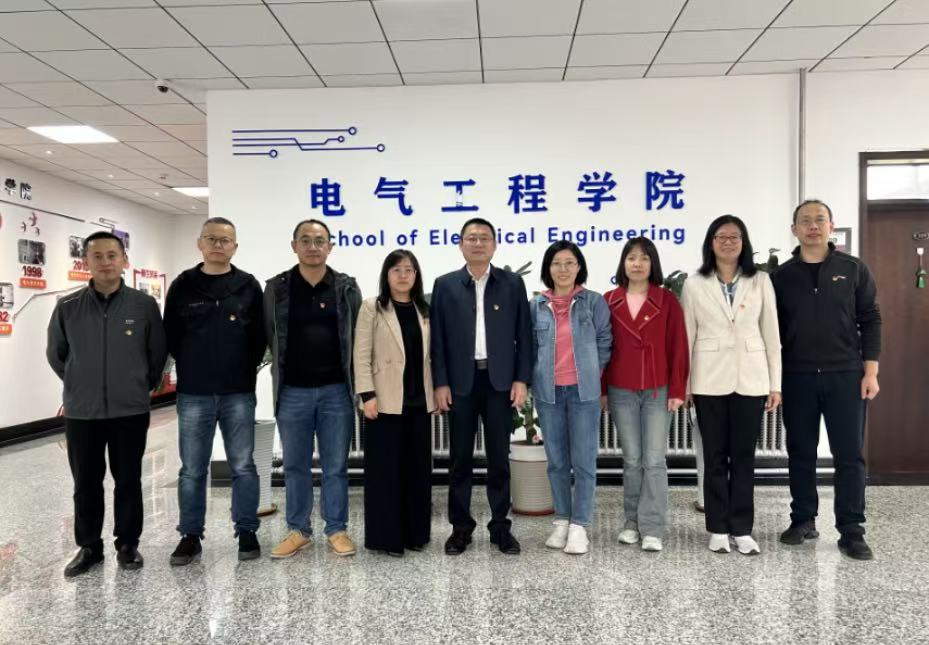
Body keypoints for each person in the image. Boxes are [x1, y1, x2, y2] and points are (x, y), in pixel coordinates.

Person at [46, 231, 167, 577]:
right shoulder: (68, 307)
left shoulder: (143, 306)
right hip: (82, 412)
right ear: (86, 261)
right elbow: (57, 355)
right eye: (97, 256)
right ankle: (89, 547)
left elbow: (157, 353)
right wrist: (78, 383)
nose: (105, 262)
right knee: (86, 482)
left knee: (128, 479)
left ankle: (127, 544)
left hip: (130, 410)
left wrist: (139, 385)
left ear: (124, 260)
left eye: (112, 255)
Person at [772, 199, 881, 561]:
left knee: (849, 455)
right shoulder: (781, 277)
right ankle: (803, 519)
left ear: (831, 226)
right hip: (798, 376)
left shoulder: (853, 269)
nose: (813, 226)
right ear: (794, 230)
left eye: (820, 219)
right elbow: (772, 332)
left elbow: (871, 319)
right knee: (800, 452)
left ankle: (851, 530)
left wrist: (871, 371)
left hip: (846, 376)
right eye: (805, 221)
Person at [164, 217, 265, 566]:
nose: (218, 245)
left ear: (235, 247)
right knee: (192, 468)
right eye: (212, 239)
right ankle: (190, 535)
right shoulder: (183, 286)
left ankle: (246, 530)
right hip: (194, 392)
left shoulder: (248, 286)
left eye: (225, 240)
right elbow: (171, 335)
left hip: (238, 391)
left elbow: (259, 338)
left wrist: (242, 367)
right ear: (200, 243)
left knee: (243, 465)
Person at [430, 217, 532, 555]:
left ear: (494, 244)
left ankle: (500, 527)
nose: (478, 243)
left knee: (499, 458)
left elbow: (524, 335)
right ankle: (461, 529)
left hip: (499, 382)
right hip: (460, 383)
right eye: (471, 238)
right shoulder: (445, 285)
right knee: (459, 459)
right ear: (461, 244)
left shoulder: (512, 284)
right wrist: (440, 383)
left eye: (484, 238)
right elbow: (438, 340)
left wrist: (521, 379)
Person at [681, 215, 781, 555]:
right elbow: (687, 336)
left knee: (743, 457)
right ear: (711, 243)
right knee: (714, 456)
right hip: (708, 378)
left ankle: (742, 528)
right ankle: (717, 528)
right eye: (721, 237)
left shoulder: (760, 280)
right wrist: (686, 384)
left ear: (744, 243)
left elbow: (771, 334)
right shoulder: (695, 283)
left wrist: (775, 384)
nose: (727, 242)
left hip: (751, 378)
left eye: (734, 237)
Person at [265, 219, 362, 558]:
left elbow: (358, 338)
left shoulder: (346, 288)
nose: (312, 246)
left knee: (335, 466)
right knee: (295, 466)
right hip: (292, 392)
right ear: (294, 246)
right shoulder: (277, 288)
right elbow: (268, 336)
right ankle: (298, 530)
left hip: (336, 391)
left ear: (330, 246)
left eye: (319, 240)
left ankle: (336, 529)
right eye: (305, 240)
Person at [604, 238, 689, 552]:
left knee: (654, 460)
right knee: (631, 459)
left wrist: (677, 389)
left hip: (657, 390)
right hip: (621, 389)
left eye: (643, 258)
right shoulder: (609, 300)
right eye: (631, 258)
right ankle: (631, 523)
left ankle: (652, 527)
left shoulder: (667, 300)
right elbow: (602, 349)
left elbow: (678, 347)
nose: (637, 264)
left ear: (652, 264)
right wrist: (602, 390)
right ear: (623, 263)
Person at [530, 241, 611, 555]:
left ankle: (580, 525)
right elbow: (529, 346)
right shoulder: (536, 305)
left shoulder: (593, 302)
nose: (562, 269)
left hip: (583, 393)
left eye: (569, 263)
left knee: (584, 461)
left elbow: (604, 341)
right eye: (556, 263)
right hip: (548, 393)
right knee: (557, 462)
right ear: (548, 269)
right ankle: (561, 520)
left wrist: (592, 372)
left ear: (579, 267)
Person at [354, 250, 434, 557]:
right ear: (386, 275)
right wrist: (367, 395)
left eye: (409, 270)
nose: (403, 275)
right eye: (396, 270)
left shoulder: (424, 309)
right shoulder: (372, 307)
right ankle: (387, 538)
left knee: (417, 472)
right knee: (385, 474)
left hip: (419, 401)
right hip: (384, 401)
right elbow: (361, 354)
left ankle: (416, 534)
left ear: (416, 275)